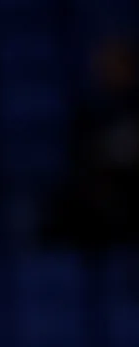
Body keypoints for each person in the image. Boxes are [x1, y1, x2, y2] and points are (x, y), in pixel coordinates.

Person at [44, 35, 138, 246]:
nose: (112, 72)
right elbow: (81, 159)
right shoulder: (92, 115)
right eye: (106, 66)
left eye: (120, 64)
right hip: (101, 199)